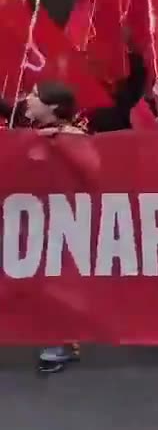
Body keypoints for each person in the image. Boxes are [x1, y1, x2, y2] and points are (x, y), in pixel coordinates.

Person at [26, 82, 89, 373]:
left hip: (66, 219)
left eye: (35, 96)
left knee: (59, 280)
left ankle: (62, 341)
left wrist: (62, 145)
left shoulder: (75, 136)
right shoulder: (28, 134)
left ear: (52, 106)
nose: (28, 98)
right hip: (31, 218)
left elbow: (94, 170)